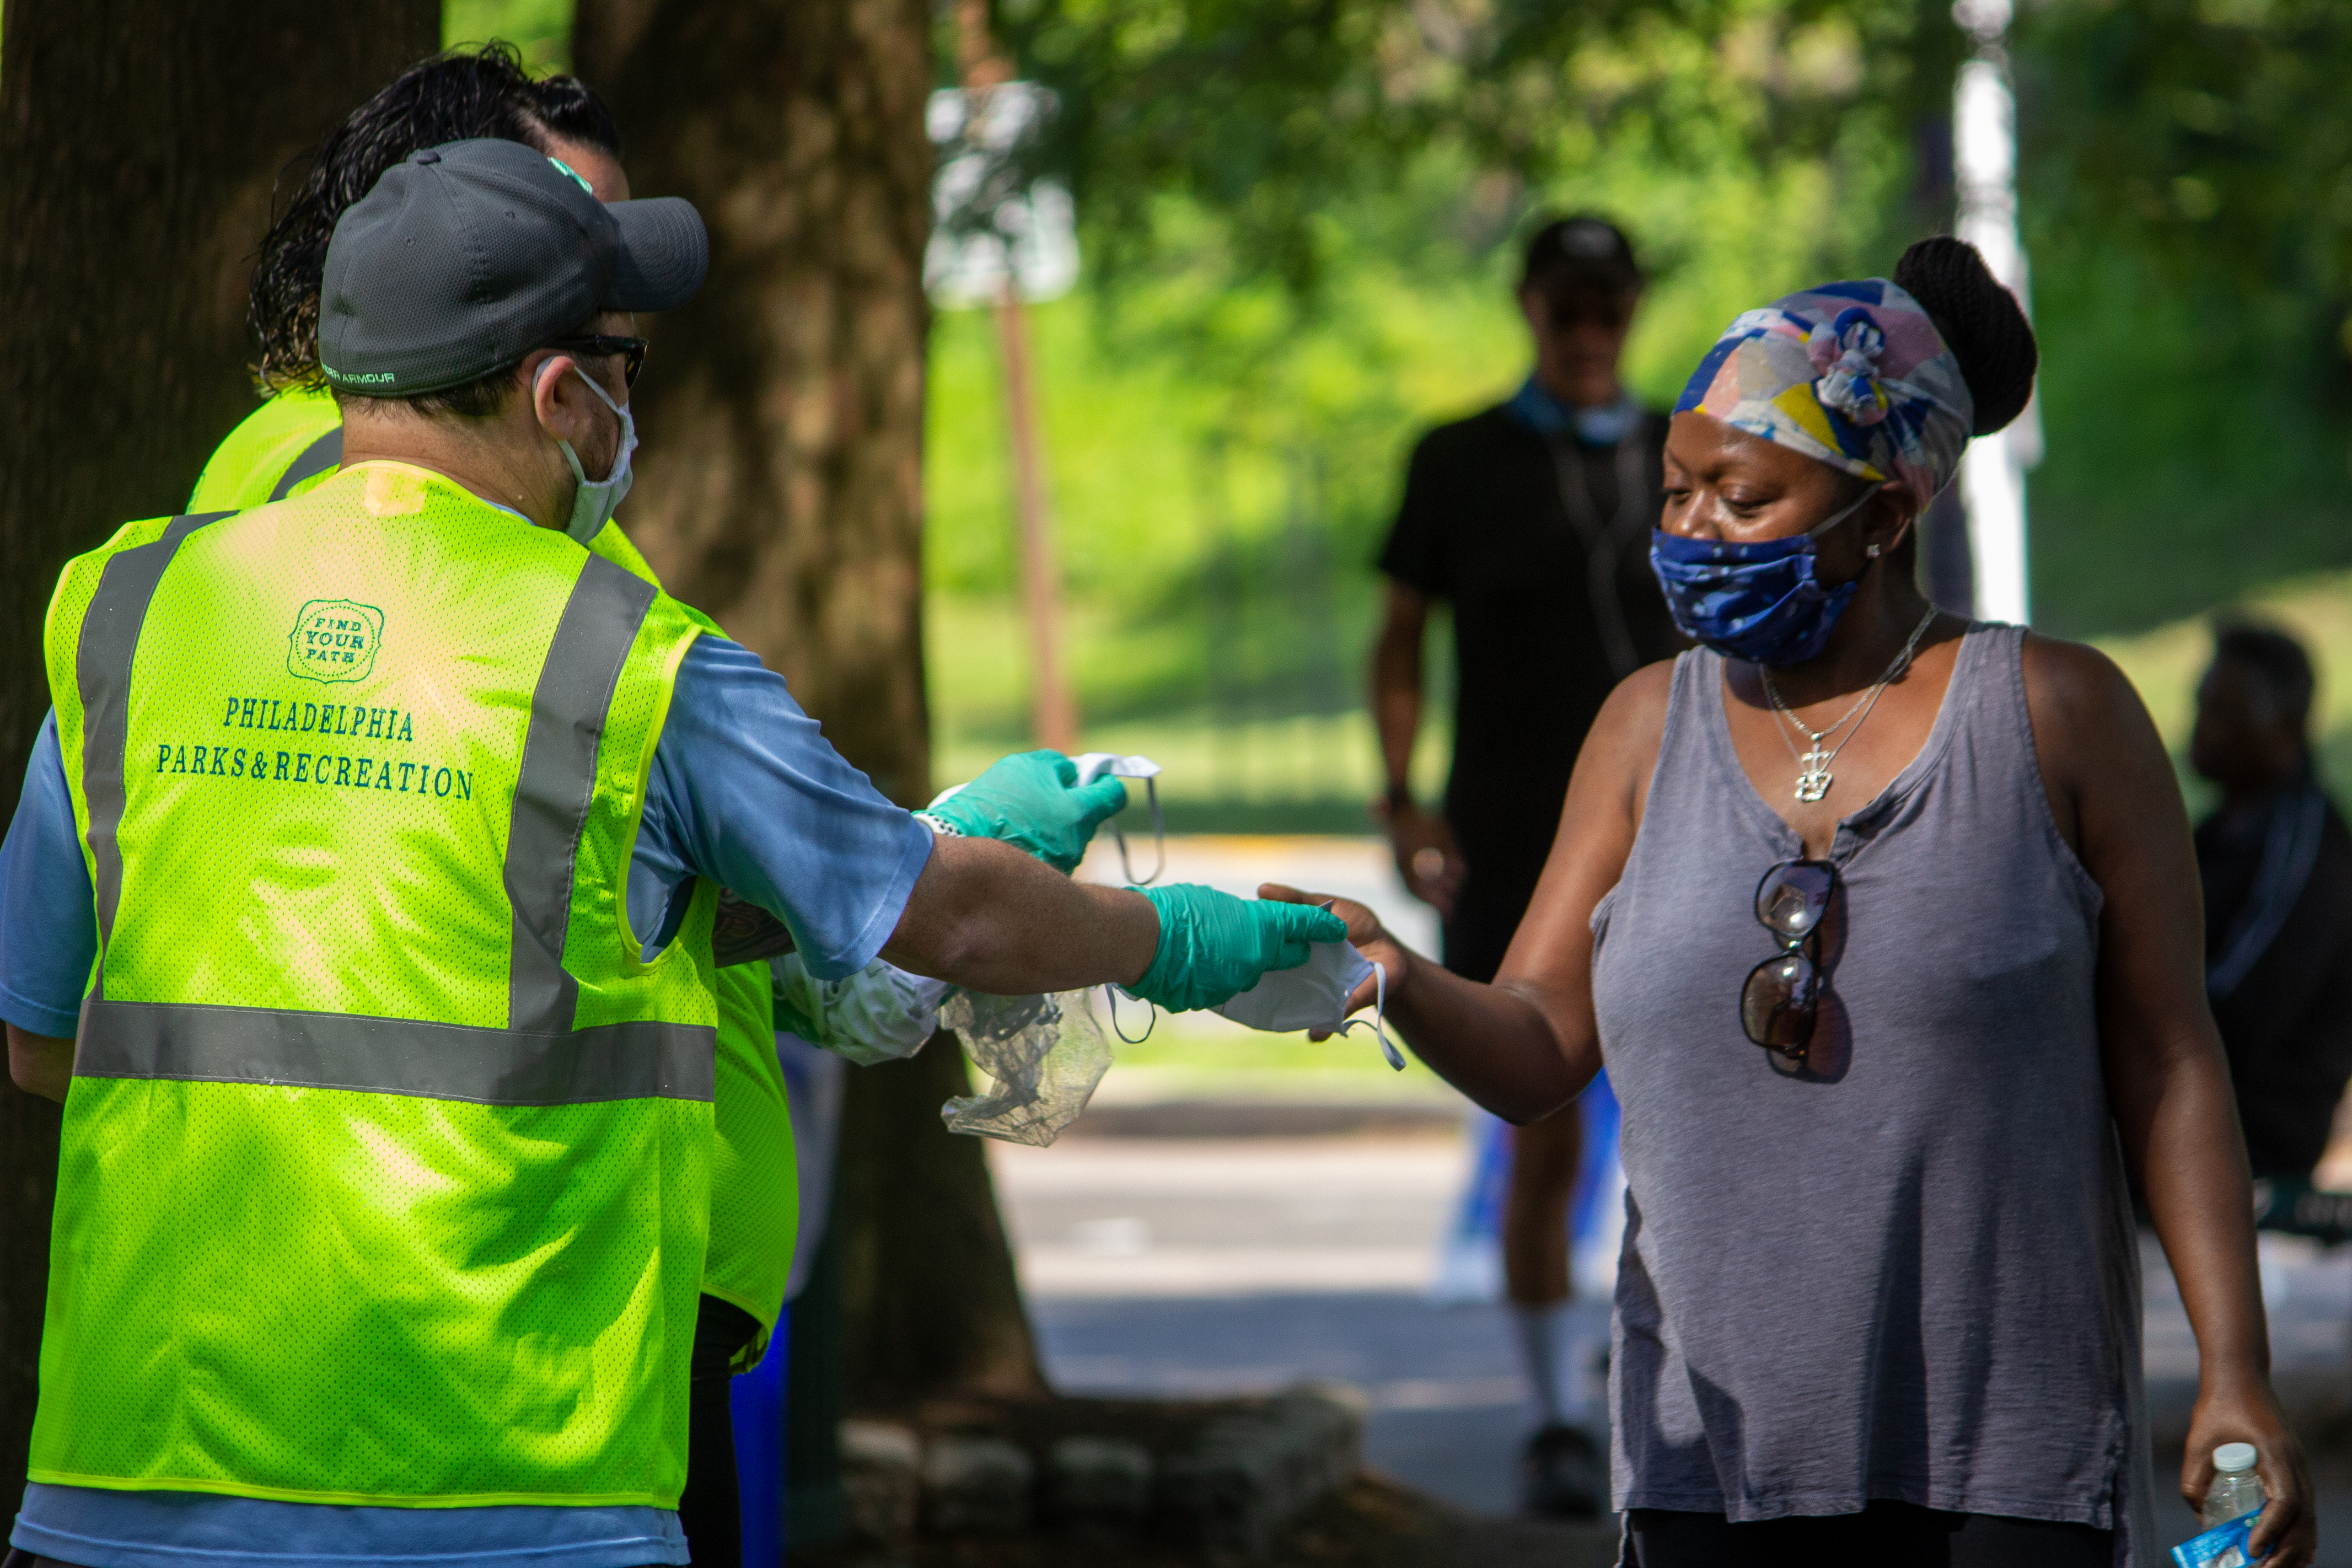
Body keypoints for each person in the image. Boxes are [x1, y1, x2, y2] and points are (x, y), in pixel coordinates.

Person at [1, 139, 1341, 1567]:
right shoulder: (630, 661)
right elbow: (943, 921)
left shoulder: (125, 609)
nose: (634, 417)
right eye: (627, 369)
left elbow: (42, 1039)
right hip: (505, 1493)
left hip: (125, 1491)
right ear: (558, 394)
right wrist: (1189, 941)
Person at [1296, 237, 2318, 1566]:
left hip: (2006, 1455)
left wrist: (2234, 1373)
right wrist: (1395, 974)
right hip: (1705, 1458)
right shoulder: (1638, 732)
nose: (1690, 533)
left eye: (1740, 495)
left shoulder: (2059, 717)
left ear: (1885, 514)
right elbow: (1539, 1045)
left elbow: (2169, 1060)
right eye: (1674, 494)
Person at [1370, 213, 1678, 1515]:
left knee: (1683, 1124)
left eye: (1610, 304)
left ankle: (1656, 1380)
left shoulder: (1688, 449)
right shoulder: (1458, 457)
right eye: (1570, 305)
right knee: (1537, 1121)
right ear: (1528, 306)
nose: (1591, 328)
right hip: (1507, 833)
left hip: (1681, 826)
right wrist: (1398, 798)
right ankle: (1553, 1414)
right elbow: (1398, 643)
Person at [2189, 623, 2352, 1200]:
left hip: (2252, 1142)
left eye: (2223, 714)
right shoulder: (2218, 833)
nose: (2200, 732)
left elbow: (2240, 1006)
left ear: (2281, 725)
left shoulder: (2304, 847)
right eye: (2201, 708)